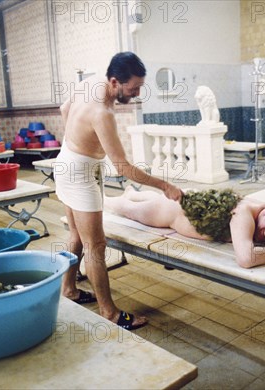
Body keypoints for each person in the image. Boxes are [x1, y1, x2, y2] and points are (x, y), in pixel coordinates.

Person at [53, 52, 183, 330]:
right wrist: (165, 185)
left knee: (77, 233)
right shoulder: (103, 113)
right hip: (79, 173)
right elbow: (124, 168)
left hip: (66, 161)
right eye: (133, 88)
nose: (136, 94)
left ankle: (69, 289)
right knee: (95, 245)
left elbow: (65, 108)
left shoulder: (90, 82)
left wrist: (77, 140)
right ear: (115, 81)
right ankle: (109, 313)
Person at [104, 188, 265, 268]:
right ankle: (103, 197)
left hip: (189, 203)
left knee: (141, 199)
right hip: (169, 213)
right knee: (124, 208)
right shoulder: (243, 215)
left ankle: (134, 192)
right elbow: (246, 259)